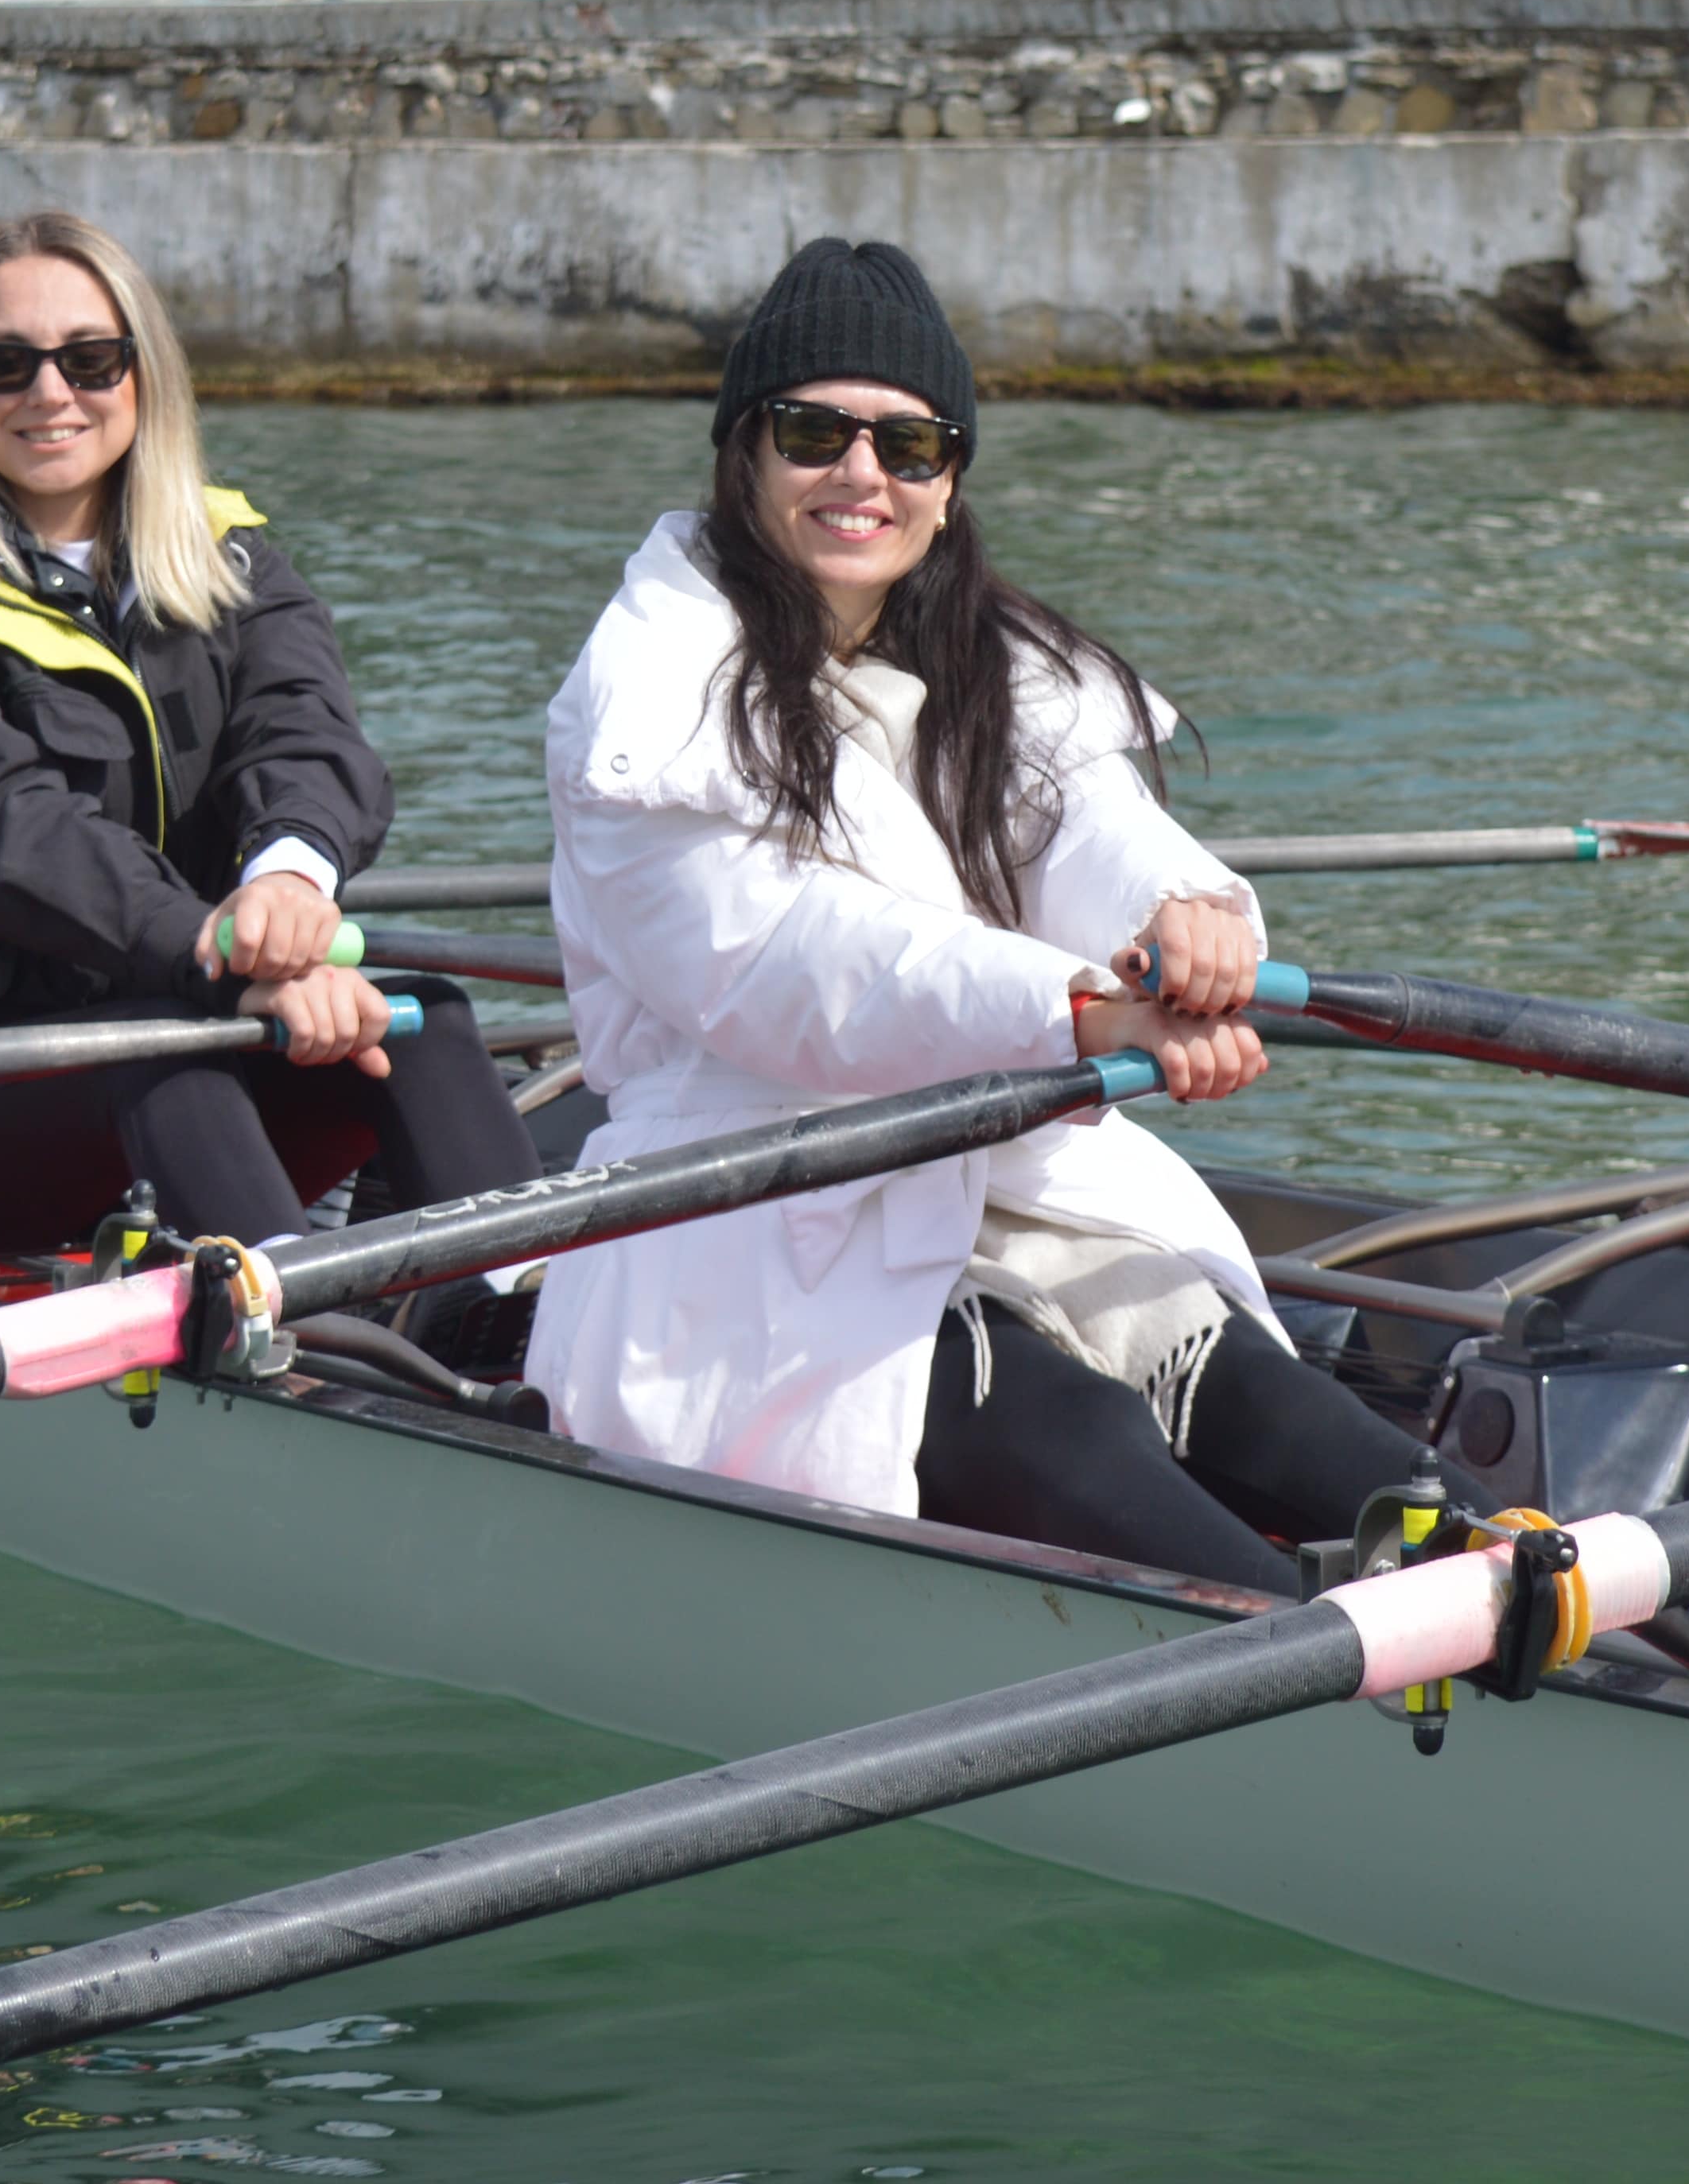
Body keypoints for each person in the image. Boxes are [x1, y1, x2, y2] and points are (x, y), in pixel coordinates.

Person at [522, 238, 1439, 1596]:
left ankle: (1576, 1636)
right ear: (742, 454)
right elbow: (792, 962)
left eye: (910, 446)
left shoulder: (981, 662)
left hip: (1011, 1181)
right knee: (1082, 1445)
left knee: (1310, 1430)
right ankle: (1358, 1701)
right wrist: (1075, 1011)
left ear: (949, 486)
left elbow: (1082, 820)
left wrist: (1179, 912)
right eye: (814, 432)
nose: (862, 476)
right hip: (756, 1219)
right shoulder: (643, 697)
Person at [0, 209, 538, 1259]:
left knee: (421, 1021)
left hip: (184, 1026)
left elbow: (304, 733)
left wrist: (288, 885)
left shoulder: (234, 562)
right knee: (153, 1054)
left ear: (144, 376)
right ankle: (294, 1360)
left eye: (91, 360)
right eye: (4, 364)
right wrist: (216, 950)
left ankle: (505, 1323)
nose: (51, 394)